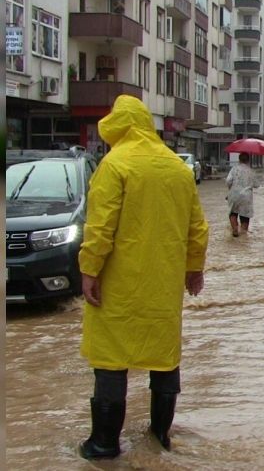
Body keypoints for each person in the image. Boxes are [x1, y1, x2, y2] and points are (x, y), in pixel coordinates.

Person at [78, 95, 209, 459]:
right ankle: (159, 438)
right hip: (163, 286)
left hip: (117, 283)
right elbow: (197, 227)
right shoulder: (178, 169)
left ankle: (104, 443)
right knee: (164, 358)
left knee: (110, 359)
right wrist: (194, 268)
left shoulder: (114, 165)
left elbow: (100, 227)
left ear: (118, 126)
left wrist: (90, 269)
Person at [226, 152, 257, 236]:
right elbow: (256, 184)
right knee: (245, 216)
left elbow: (228, 181)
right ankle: (243, 234)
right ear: (248, 160)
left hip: (234, 194)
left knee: (232, 213)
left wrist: (230, 190)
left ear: (239, 159)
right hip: (246, 196)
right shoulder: (251, 171)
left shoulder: (234, 169)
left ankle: (235, 229)